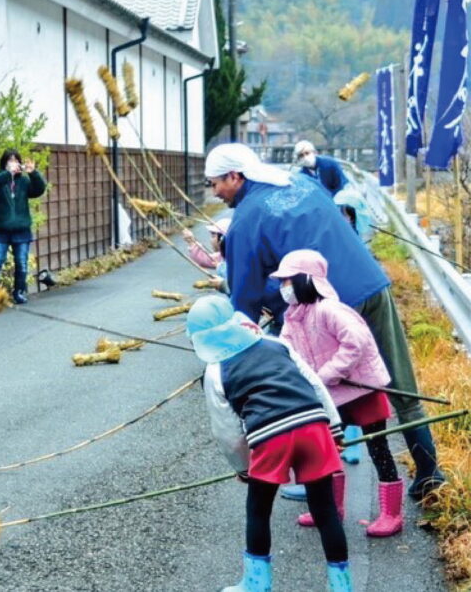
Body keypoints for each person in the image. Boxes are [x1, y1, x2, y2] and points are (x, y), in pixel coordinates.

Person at [205, 142, 445, 500]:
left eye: (215, 183)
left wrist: (236, 350)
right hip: (369, 285)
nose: (215, 192)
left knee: (320, 396)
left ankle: (318, 481)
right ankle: (429, 472)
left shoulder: (244, 223)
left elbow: (244, 300)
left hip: (323, 312)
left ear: (235, 176)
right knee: (400, 385)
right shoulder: (300, 184)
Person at [187, 295, 351, 592]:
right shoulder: (276, 343)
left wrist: (243, 467)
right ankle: (342, 586)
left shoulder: (215, 371)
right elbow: (314, 383)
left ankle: (256, 584)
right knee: (325, 510)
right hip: (314, 425)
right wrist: (335, 428)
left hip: (269, 436)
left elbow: (227, 431)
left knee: (259, 510)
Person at [273, 250, 404, 537]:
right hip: (331, 397)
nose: (283, 288)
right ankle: (330, 508)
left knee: (378, 448)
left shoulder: (331, 310)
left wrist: (327, 375)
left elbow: (355, 344)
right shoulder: (293, 318)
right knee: (327, 450)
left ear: (306, 280)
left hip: (361, 391)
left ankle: (391, 514)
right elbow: (285, 351)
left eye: (287, 281)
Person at [0, 149, 47, 304]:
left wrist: (33, 173)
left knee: (22, 263)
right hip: (0, 230)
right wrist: (7, 174)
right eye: (9, 160)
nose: (13, 163)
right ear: (4, 163)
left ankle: (18, 292)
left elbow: (39, 189)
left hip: (21, 230)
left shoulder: (24, 181)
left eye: (15, 160)